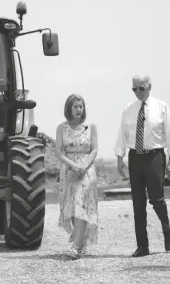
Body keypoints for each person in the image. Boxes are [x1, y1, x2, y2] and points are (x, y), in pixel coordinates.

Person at [114, 74, 170, 258]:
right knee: (138, 203)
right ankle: (142, 246)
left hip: (155, 157)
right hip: (135, 157)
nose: (137, 92)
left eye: (141, 88)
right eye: (134, 89)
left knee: (156, 199)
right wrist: (120, 158)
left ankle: (167, 227)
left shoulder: (162, 107)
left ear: (149, 86)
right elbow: (122, 134)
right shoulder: (128, 109)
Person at [55, 93, 99, 259]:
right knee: (72, 208)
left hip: (87, 171)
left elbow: (94, 150)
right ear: (69, 108)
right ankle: (81, 242)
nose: (79, 110)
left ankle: (75, 247)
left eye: (81, 106)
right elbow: (58, 152)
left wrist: (84, 166)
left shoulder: (91, 127)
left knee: (81, 204)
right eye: (75, 106)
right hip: (69, 170)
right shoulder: (62, 128)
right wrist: (74, 166)